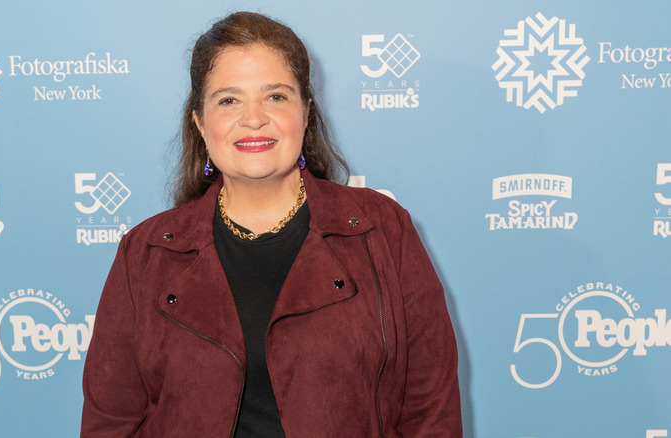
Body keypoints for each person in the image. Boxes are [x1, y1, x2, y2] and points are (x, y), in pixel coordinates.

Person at [81, 11, 462, 437]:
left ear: (306, 111)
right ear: (200, 121)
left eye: (276, 96)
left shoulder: (383, 230)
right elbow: (111, 422)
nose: (254, 118)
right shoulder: (145, 253)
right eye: (229, 100)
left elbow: (431, 411)